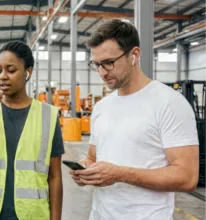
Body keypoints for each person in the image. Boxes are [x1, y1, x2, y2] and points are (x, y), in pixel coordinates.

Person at [69, 19, 199, 220]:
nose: (102, 72)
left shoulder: (169, 103)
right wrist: (86, 171)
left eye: (109, 62)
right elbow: (93, 158)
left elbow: (187, 177)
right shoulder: (102, 107)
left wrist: (120, 174)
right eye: (96, 64)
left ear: (134, 55)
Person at [0, 41, 64, 220]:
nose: (2, 76)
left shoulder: (48, 115)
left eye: (11, 70)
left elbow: (55, 176)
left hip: (32, 215)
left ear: (28, 72)